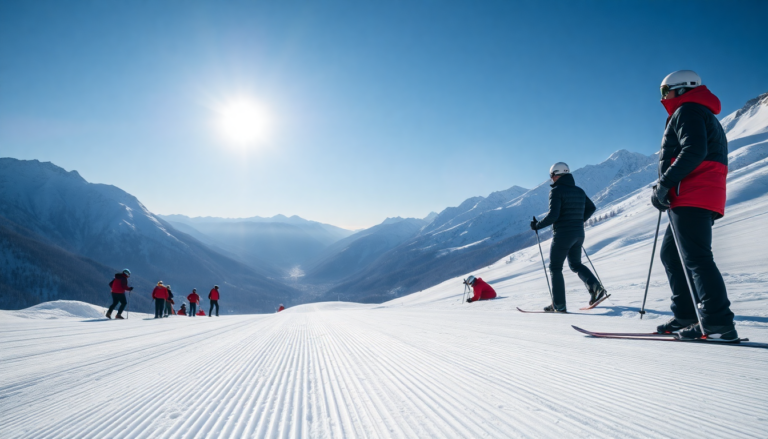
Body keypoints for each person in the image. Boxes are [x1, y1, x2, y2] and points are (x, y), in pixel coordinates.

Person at [652, 70, 736, 341]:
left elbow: (693, 150)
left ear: (682, 89)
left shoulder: (687, 110)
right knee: (672, 255)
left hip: (691, 193)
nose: (663, 98)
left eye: (666, 91)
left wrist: (664, 184)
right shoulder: (701, 113)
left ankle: (717, 322)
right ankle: (687, 314)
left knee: (697, 259)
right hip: (699, 194)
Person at [531, 163, 605, 312]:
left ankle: (558, 305)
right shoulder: (579, 191)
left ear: (557, 175)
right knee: (576, 264)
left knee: (555, 268)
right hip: (578, 234)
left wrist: (537, 225)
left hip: (563, 235)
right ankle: (596, 288)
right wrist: (578, 220)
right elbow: (591, 208)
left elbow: (553, 216)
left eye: (551, 176)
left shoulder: (557, 191)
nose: (551, 179)